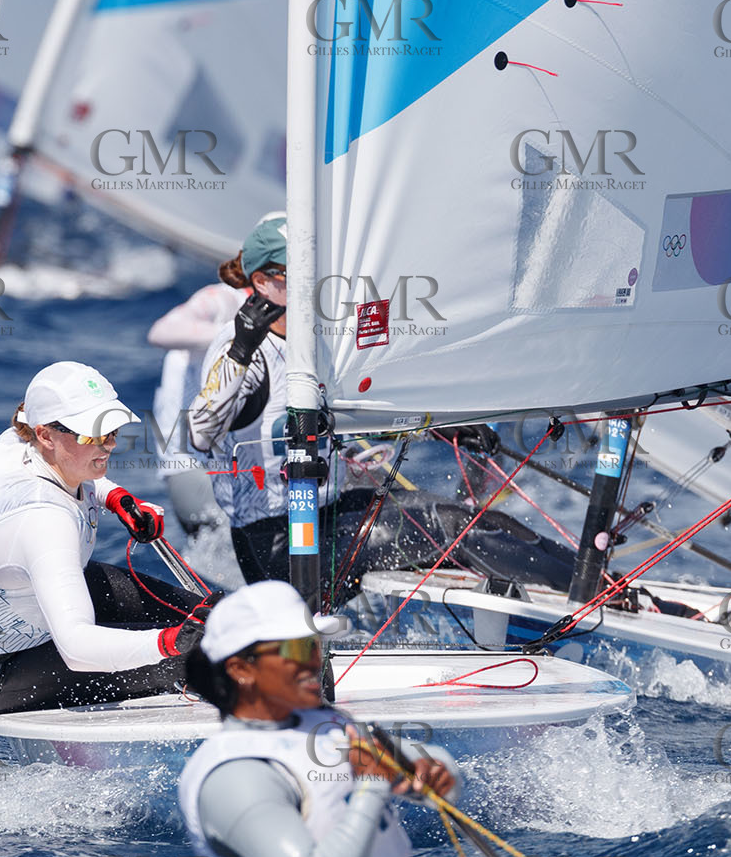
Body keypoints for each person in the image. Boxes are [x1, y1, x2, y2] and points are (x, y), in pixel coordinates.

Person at [187, 214, 577, 597]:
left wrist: (444, 427)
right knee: (452, 526)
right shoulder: (239, 351)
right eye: (302, 275)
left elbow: (359, 412)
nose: (319, 284)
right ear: (263, 283)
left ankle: (597, 581)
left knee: (481, 519)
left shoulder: (316, 339)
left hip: (329, 512)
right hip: (277, 545)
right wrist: (241, 348)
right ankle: (586, 596)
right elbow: (201, 434)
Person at [178, 582, 594, 857]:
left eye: (315, 646)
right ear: (241, 669)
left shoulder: (317, 719)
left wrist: (432, 770)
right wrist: (375, 783)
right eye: (294, 651)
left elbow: (411, 763)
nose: (313, 662)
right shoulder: (236, 775)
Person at [0, 361, 215, 715]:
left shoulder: (24, 434)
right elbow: (77, 646)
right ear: (46, 434)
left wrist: (116, 499)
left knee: (215, 618)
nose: (108, 446)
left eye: (112, 432)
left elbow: (73, 471)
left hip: (25, 600)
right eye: (92, 436)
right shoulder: (42, 520)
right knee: (211, 656)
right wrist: (168, 642)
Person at [146, 276, 245, 535]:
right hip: (193, 469)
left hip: (235, 466)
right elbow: (161, 331)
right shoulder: (225, 300)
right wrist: (245, 334)